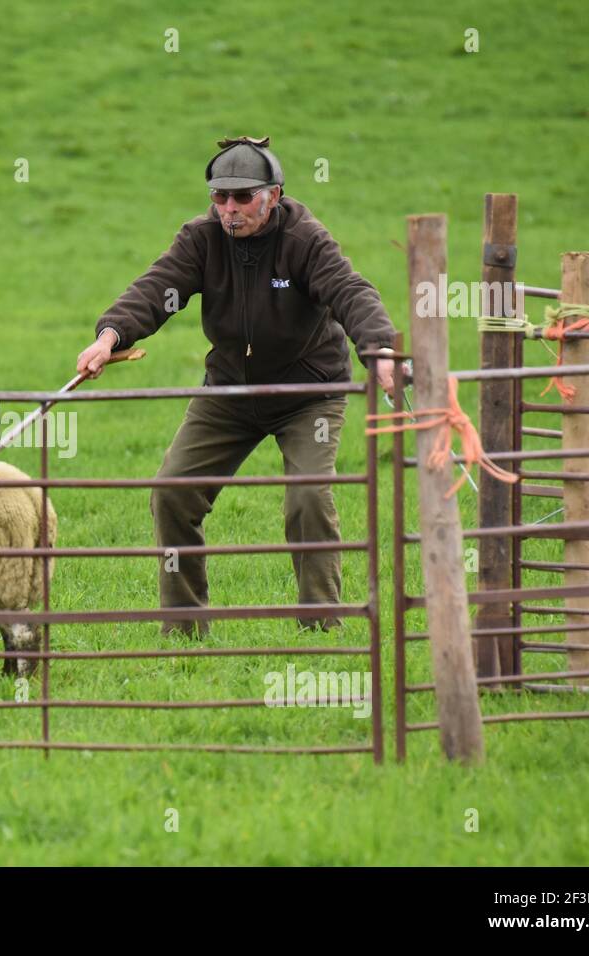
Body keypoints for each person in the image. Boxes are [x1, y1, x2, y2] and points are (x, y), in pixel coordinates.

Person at [76, 136, 396, 635]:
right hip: (228, 392)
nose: (229, 208)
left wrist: (380, 351)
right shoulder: (202, 239)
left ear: (274, 194)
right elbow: (158, 287)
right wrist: (110, 335)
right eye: (219, 197)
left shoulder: (305, 239)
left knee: (309, 497)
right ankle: (183, 628)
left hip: (307, 394)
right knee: (171, 494)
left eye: (242, 196)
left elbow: (350, 291)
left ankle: (320, 622)